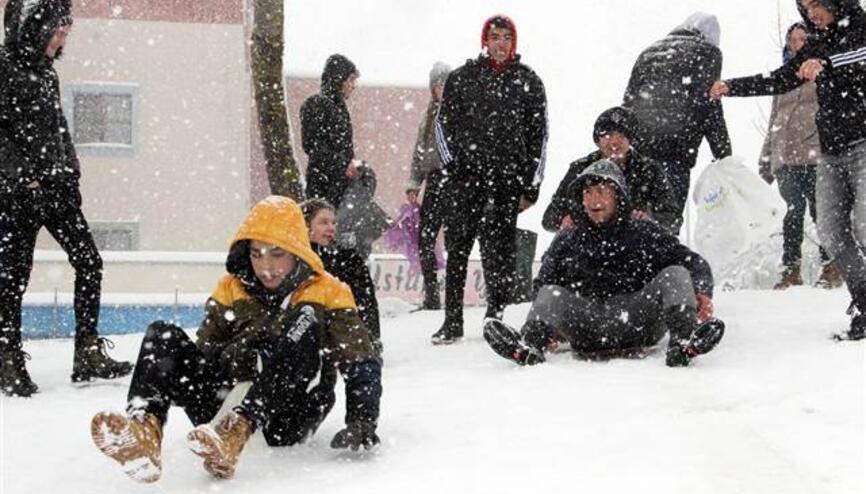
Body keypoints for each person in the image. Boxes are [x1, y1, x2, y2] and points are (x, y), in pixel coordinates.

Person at [90, 197, 383, 483]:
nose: (266, 266)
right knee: (161, 333)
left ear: (297, 252)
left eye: (276, 254)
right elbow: (205, 352)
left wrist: (362, 418)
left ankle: (238, 431)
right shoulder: (231, 287)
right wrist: (236, 354)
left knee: (304, 319)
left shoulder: (328, 290)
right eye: (257, 254)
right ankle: (145, 429)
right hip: (227, 401)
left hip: (289, 415)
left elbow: (360, 358)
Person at [710, 0, 866, 340]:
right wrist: (732, 86)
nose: (811, 13)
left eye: (816, 4)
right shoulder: (816, 41)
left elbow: (858, 57)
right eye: (805, 7)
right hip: (831, 152)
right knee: (832, 232)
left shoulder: (859, 26)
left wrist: (826, 63)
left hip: (864, 143)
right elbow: (782, 78)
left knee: (865, 226)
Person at [0, 0, 131, 397]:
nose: (64, 36)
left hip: (58, 190)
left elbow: (58, 129)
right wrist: (23, 178)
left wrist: (71, 168)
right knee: (12, 277)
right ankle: (8, 360)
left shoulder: (46, 74)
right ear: (35, 28)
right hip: (19, 194)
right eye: (59, 28)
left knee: (89, 261)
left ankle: (87, 352)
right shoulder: (5, 68)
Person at [484, 159, 725, 367]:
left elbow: (693, 263)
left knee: (675, 273)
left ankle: (684, 341)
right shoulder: (568, 237)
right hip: (586, 328)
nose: (593, 199)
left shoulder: (643, 230)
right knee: (550, 293)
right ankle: (529, 347)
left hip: (638, 323)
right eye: (587, 193)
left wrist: (702, 291)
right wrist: (550, 327)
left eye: (601, 191)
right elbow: (544, 284)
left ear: (618, 195)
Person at [432, 14, 548, 344]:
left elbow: (539, 136)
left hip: (506, 183)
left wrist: (532, 185)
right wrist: (453, 167)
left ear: (514, 43)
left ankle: (494, 317)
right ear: (485, 40)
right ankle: (451, 321)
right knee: (457, 250)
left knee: (500, 253)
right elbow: (442, 126)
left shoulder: (529, 81)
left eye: (506, 38)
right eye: (495, 36)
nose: (500, 43)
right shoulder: (462, 77)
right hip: (466, 181)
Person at [623, 12, 732, 232]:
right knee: (666, 223)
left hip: (640, 152)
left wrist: (625, 147)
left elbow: (628, 101)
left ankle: (634, 264)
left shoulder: (649, 52)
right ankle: (662, 261)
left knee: (634, 222)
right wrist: (723, 154)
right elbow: (710, 104)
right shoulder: (708, 53)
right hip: (676, 150)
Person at [757, 22, 841, 290]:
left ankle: (832, 269)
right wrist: (766, 158)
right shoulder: (783, 77)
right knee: (792, 215)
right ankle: (790, 271)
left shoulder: (822, 70)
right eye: (792, 40)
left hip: (816, 155)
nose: (797, 44)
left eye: (802, 39)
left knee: (823, 214)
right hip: (786, 158)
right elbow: (774, 121)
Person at [541, 106, 678, 233]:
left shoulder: (650, 170)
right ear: (598, 139)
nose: (614, 142)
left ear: (631, 140)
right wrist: (565, 220)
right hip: (588, 246)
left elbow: (674, 219)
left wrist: (649, 219)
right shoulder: (580, 168)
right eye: (608, 135)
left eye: (621, 136)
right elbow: (549, 219)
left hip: (636, 247)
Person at [302, 198, 382, 354]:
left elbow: (366, 304)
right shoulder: (291, 259)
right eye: (324, 222)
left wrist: (370, 341)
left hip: (346, 344)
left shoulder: (347, 258)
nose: (331, 228)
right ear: (305, 225)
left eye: (333, 223)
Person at [408, 61, 451, 310]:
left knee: (456, 241)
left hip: (456, 182)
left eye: (445, 83)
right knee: (426, 239)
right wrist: (414, 183)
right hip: (434, 181)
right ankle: (431, 296)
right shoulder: (427, 118)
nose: (441, 89)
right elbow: (419, 153)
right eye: (437, 85)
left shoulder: (461, 113)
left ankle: (452, 299)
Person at [300, 53, 360, 209]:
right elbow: (312, 146)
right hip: (323, 185)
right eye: (351, 79)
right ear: (339, 79)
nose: (353, 85)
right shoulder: (317, 104)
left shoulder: (341, 109)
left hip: (341, 187)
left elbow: (345, 148)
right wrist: (343, 165)